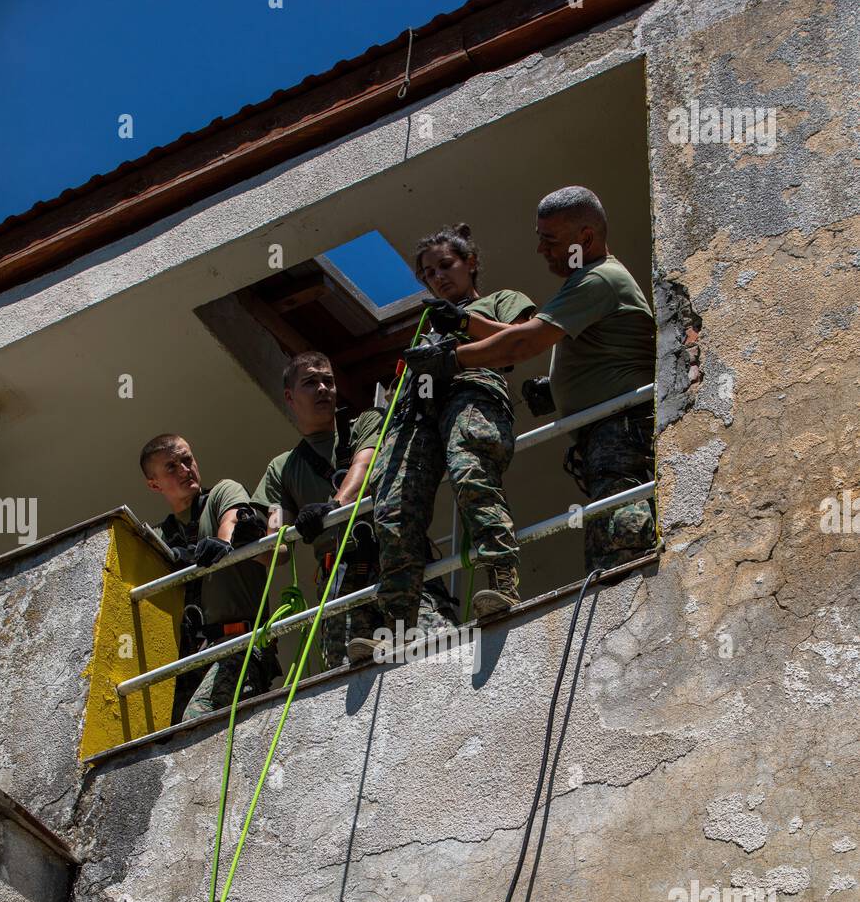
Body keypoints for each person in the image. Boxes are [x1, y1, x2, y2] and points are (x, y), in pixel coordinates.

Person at [403, 188, 656, 575]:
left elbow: (521, 341)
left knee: (622, 556)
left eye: (550, 239)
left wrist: (451, 358)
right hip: (606, 437)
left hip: (620, 432)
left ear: (585, 238)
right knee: (611, 548)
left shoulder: (599, 278)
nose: (541, 249)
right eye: (539, 237)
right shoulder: (585, 281)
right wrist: (554, 390)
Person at [350, 224, 536, 660]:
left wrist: (464, 323)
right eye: (428, 273)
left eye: (446, 266)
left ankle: (502, 583)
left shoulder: (498, 301)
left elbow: (523, 340)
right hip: (418, 411)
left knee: (470, 473)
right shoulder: (425, 327)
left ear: (471, 263)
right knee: (393, 512)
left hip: (470, 392)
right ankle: (398, 625)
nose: (438, 277)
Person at [251, 351, 456, 670]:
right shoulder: (282, 469)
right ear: (290, 397)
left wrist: (334, 506)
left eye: (328, 381)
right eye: (310, 382)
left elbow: (365, 465)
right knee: (348, 672)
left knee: (436, 644)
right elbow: (278, 535)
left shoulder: (367, 422)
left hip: (393, 558)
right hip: (339, 578)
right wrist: (254, 536)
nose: (322, 388)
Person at [140, 434, 277, 722]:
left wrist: (223, 542)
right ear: (154, 484)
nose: (184, 470)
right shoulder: (159, 537)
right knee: (165, 736)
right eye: (171, 467)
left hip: (238, 642)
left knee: (197, 720)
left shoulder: (221, 494)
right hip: (189, 660)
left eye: (187, 459)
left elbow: (233, 518)